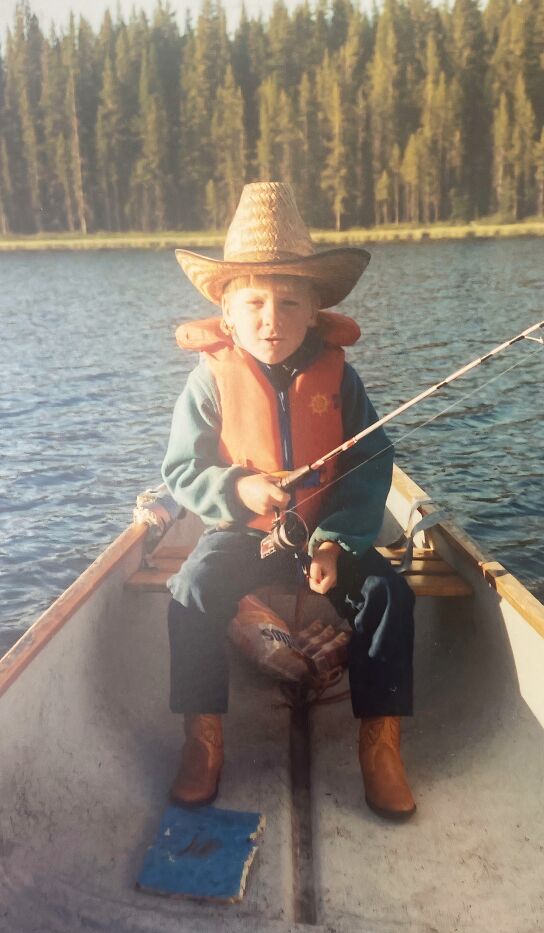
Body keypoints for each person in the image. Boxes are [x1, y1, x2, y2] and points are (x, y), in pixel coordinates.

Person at [162, 181, 416, 820]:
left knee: (389, 594)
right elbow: (182, 469)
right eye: (253, 303)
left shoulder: (341, 377)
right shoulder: (208, 382)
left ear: (313, 310)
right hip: (243, 533)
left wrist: (337, 538)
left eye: (287, 302)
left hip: (324, 535)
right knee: (191, 590)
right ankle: (204, 739)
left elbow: (371, 462)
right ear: (227, 313)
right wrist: (236, 487)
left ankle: (381, 744)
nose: (270, 319)